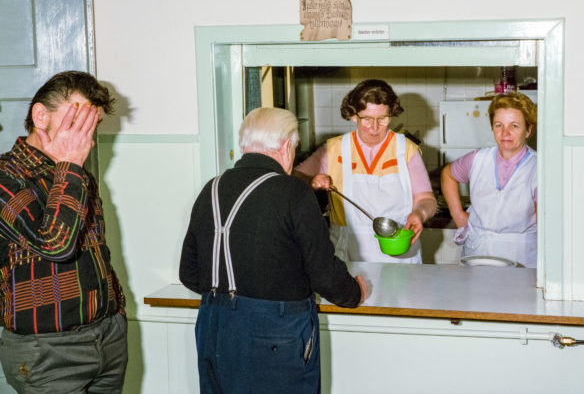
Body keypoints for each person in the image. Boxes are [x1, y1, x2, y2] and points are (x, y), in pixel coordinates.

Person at [179, 107, 368, 394]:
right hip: (277, 333)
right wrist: (355, 293)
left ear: (245, 145)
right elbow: (323, 274)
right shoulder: (293, 192)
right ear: (286, 146)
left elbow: (189, 274)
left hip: (213, 326)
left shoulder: (212, 189)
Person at [0, 71, 127, 393]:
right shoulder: (6, 177)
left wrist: (117, 312)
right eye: (76, 123)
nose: (87, 137)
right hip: (46, 350)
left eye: (91, 126)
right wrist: (69, 165)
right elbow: (56, 246)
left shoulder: (78, 176)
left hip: (108, 335)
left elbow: (98, 249)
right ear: (40, 116)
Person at [294, 79, 437, 263]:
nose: (375, 127)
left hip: (400, 253)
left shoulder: (406, 149)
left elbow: (426, 199)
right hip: (348, 254)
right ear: (354, 116)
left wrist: (420, 214)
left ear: (391, 115)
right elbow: (294, 178)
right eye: (367, 119)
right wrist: (312, 181)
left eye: (382, 119)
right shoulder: (335, 149)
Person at [440, 92, 538, 267]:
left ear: (528, 130)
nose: (505, 133)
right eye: (498, 125)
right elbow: (448, 174)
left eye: (514, 126)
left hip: (520, 260)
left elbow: (546, 225)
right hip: (477, 254)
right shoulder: (478, 158)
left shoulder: (538, 168)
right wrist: (458, 215)